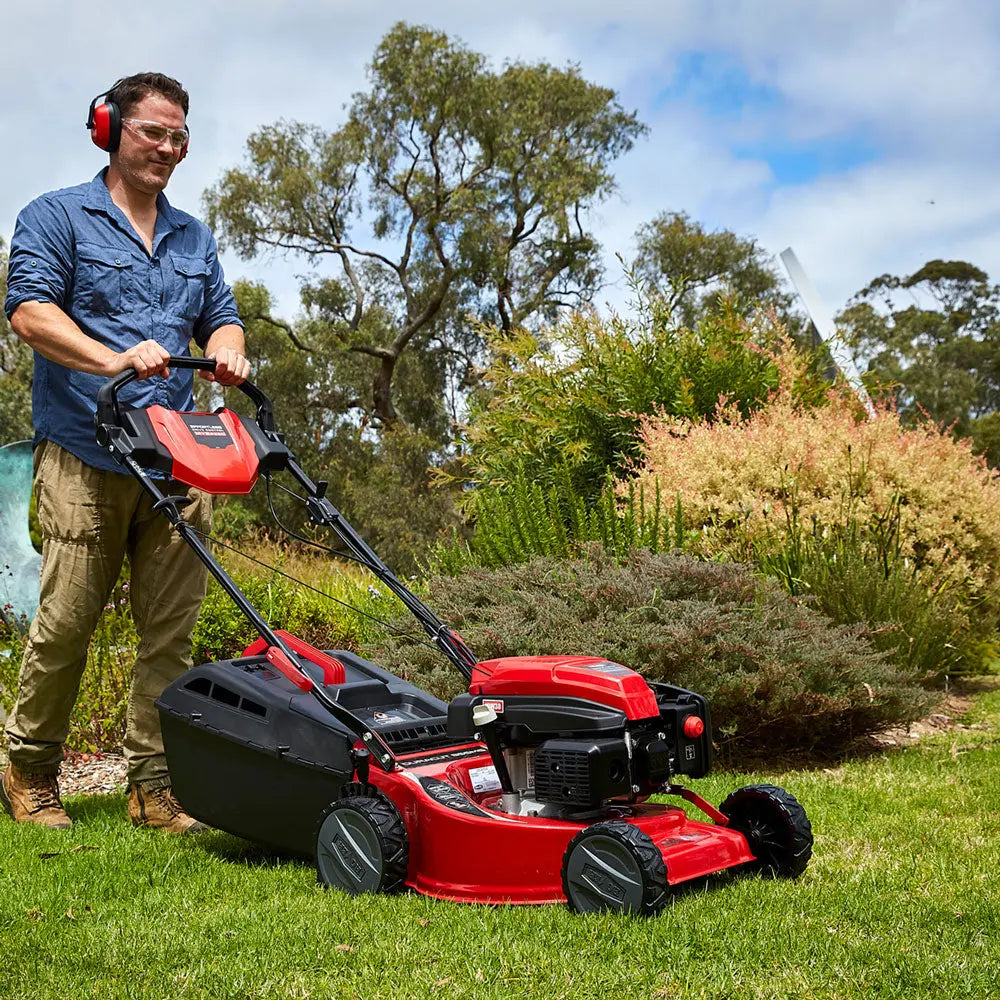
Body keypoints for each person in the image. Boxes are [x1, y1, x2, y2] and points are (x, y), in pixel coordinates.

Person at [1, 72, 250, 834]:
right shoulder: (57, 217)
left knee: (170, 634)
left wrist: (229, 350)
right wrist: (111, 358)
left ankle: (153, 787)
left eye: (179, 137)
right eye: (153, 132)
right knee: (66, 623)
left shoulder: (193, 237)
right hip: (86, 449)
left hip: (176, 458)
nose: (168, 149)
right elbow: (29, 312)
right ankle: (28, 770)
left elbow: (222, 316)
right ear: (109, 130)